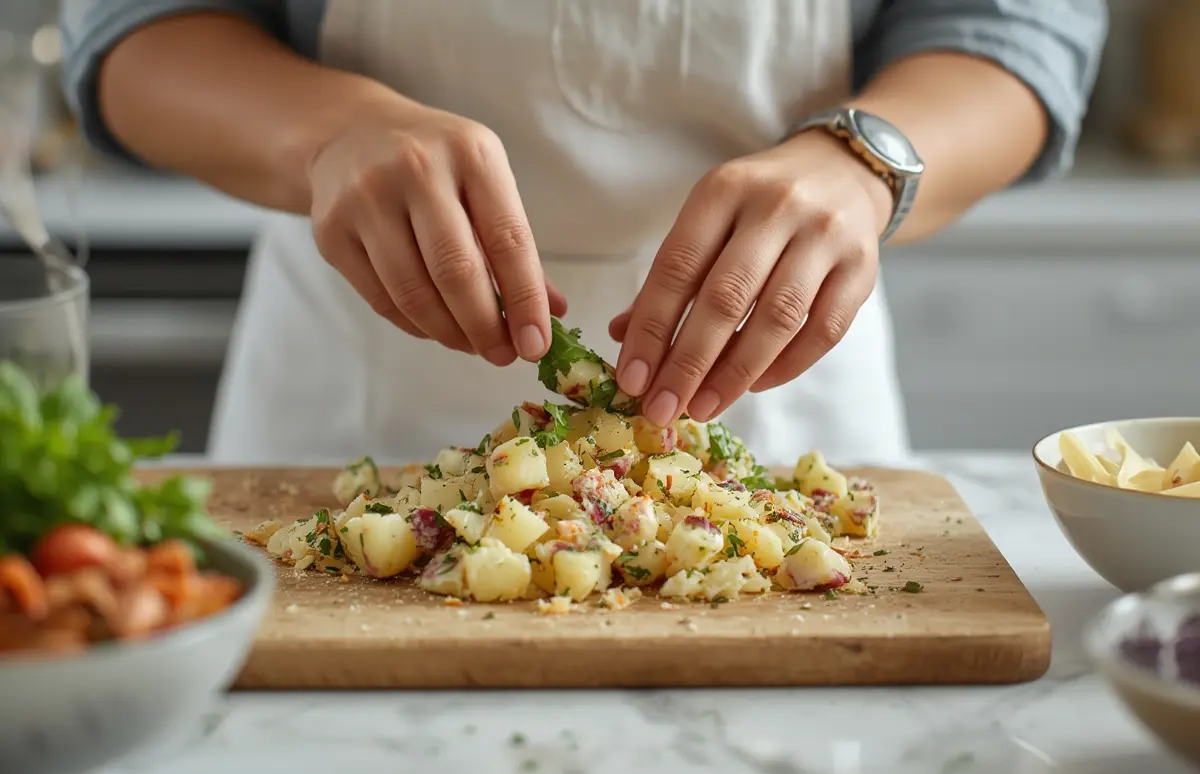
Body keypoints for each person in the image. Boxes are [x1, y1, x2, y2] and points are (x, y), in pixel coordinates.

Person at [60, 1, 1106, 467]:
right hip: (346, 403)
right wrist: (331, 133)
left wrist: (866, 159)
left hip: (780, 406)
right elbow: (131, 29)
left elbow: (1023, 28)